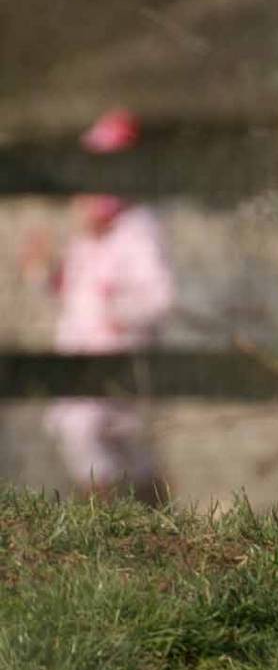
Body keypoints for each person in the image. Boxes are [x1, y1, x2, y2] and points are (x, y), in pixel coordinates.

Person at [19, 109, 175, 500]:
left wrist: (117, 311)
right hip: (81, 358)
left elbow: (159, 298)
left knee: (94, 432)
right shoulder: (88, 238)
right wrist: (44, 272)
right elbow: (73, 291)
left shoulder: (137, 232)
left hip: (119, 360)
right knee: (87, 432)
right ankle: (122, 504)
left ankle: (115, 504)